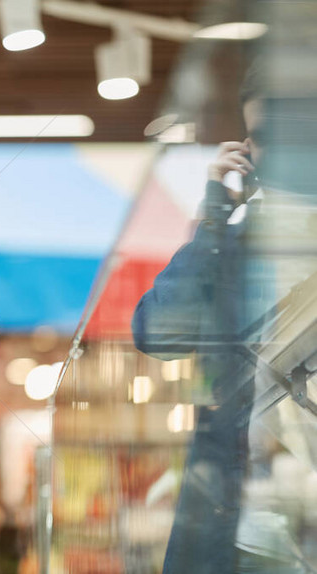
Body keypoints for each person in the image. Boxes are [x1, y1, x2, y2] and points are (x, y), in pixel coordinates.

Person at [132, 62, 317, 573]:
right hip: (244, 530)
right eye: (262, 139)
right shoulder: (238, 244)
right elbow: (156, 332)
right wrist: (215, 215)